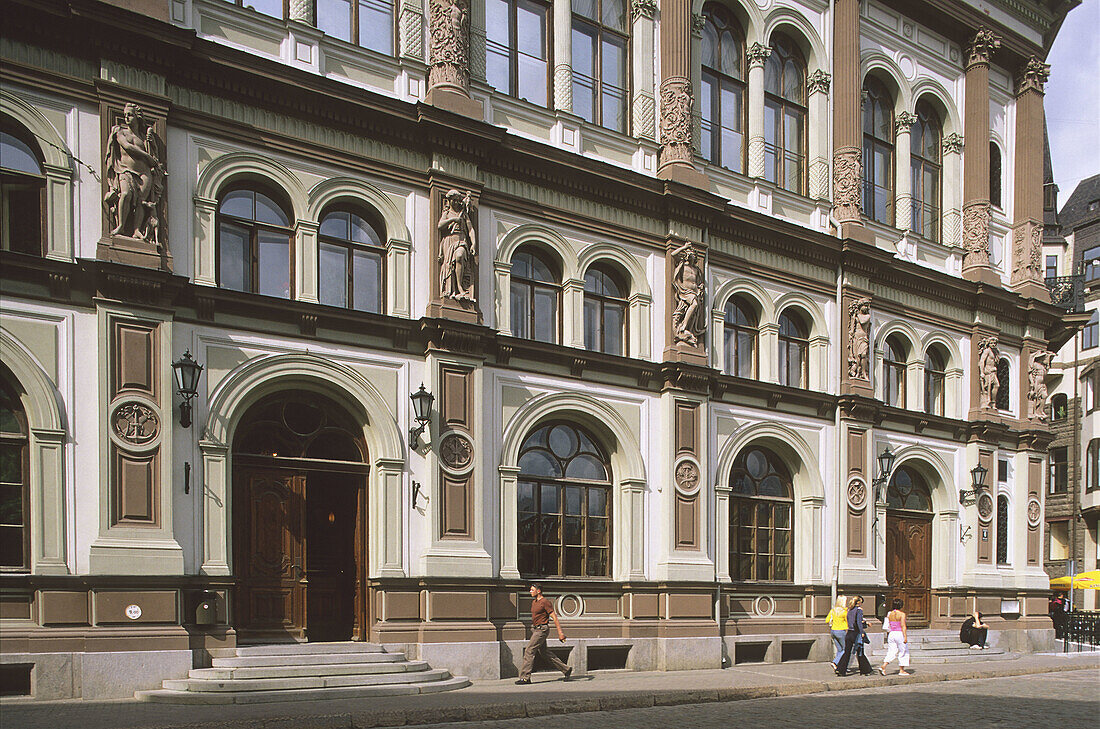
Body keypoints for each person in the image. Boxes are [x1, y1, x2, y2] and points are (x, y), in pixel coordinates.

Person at [516, 583, 573, 684]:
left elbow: (554, 617)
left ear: (538, 591)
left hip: (542, 629)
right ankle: (566, 669)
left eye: (532, 589)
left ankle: (525, 677)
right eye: (530, 589)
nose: (530, 591)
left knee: (529, 650)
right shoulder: (534, 602)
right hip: (536, 629)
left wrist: (560, 633)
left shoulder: (545, 602)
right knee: (544, 653)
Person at [834, 596, 873, 676]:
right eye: (861, 602)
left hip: (849, 633)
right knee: (860, 652)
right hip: (856, 633)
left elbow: (851, 621)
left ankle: (840, 669)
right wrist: (862, 631)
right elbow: (858, 622)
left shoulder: (849, 610)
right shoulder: (859, 610)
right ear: (859, 602)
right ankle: (865, 670)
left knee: (847, 652)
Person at [879, 598, 910, 676]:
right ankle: (901, 670)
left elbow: (888, 625)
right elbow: (903, 626)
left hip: (892, 633)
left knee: (891, 651)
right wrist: (905, 637)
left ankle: (884, 665)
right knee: (903, 651)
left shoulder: (890, 613)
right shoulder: (902, 614)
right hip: (899, 633)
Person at [824, 597, 848, 669]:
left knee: (840, 650)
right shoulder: (844, 612)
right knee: (845, 649)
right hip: (841, 631)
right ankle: (835, 662)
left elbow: (827, 620)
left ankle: (837, 665)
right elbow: (848, 622)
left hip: (833, 631)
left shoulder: (833, 611)